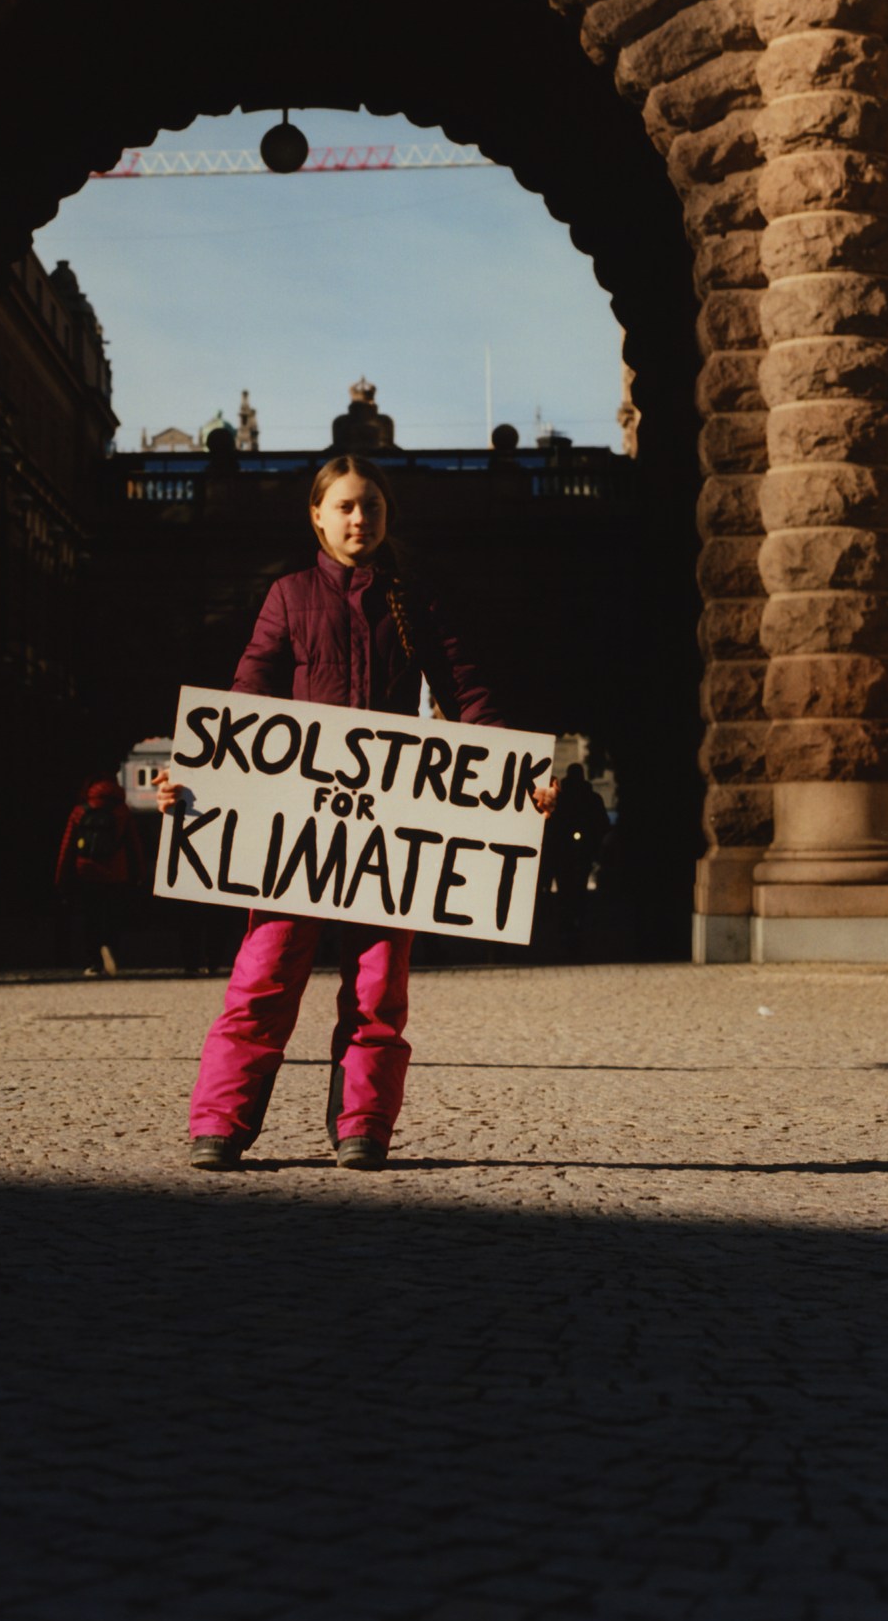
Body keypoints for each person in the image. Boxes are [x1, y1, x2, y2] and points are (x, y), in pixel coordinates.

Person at [156, 453, 556, 1174]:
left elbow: (469, 698)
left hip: (385, 829)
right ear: (316, 515)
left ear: (385, 515)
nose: (357, 518)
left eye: (369, 506)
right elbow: (245, 701)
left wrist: (515, 781)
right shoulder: (287, 595)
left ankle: (362, 1127)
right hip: (296, 829)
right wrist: (193, 778)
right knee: (264, 976)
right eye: (343, 506)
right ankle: (218, 1124)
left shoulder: (418, 598)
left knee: (377, 988)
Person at [55, 776, 146, 976]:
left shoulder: (80, 810)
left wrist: (61, 876)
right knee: (113, 915)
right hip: (116, 872)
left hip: (87, 871)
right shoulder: (122, 811)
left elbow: (67, 845)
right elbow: (134, 845)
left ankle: (93, 961)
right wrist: (140, 872)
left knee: (90, 916)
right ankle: (109, 946)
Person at [543, 762, 609, 950]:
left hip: (573, 851)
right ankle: (570, 922)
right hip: (569, 851)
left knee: (571, 888)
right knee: (572, 888)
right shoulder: (579, 798)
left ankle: (571, 922)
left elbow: (600, 824)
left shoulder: (567, 799)